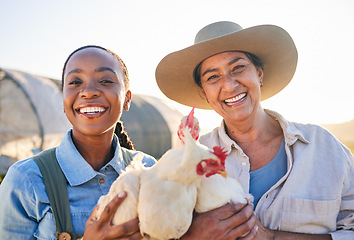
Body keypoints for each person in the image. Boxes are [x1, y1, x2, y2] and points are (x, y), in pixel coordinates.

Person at [155, 21, 354, 239]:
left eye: (238, 68)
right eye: (213, 77)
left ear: (259, 74)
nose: (230, 85)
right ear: (204, 92)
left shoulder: (324, 148)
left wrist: (270, 237)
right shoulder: (188, 162)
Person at [0, 45, 156, 239]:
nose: (88, 92)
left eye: (106, 81)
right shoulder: (26, 180)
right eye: (75, 82)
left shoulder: (150, 170)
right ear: (63, 98)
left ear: (127, 99)